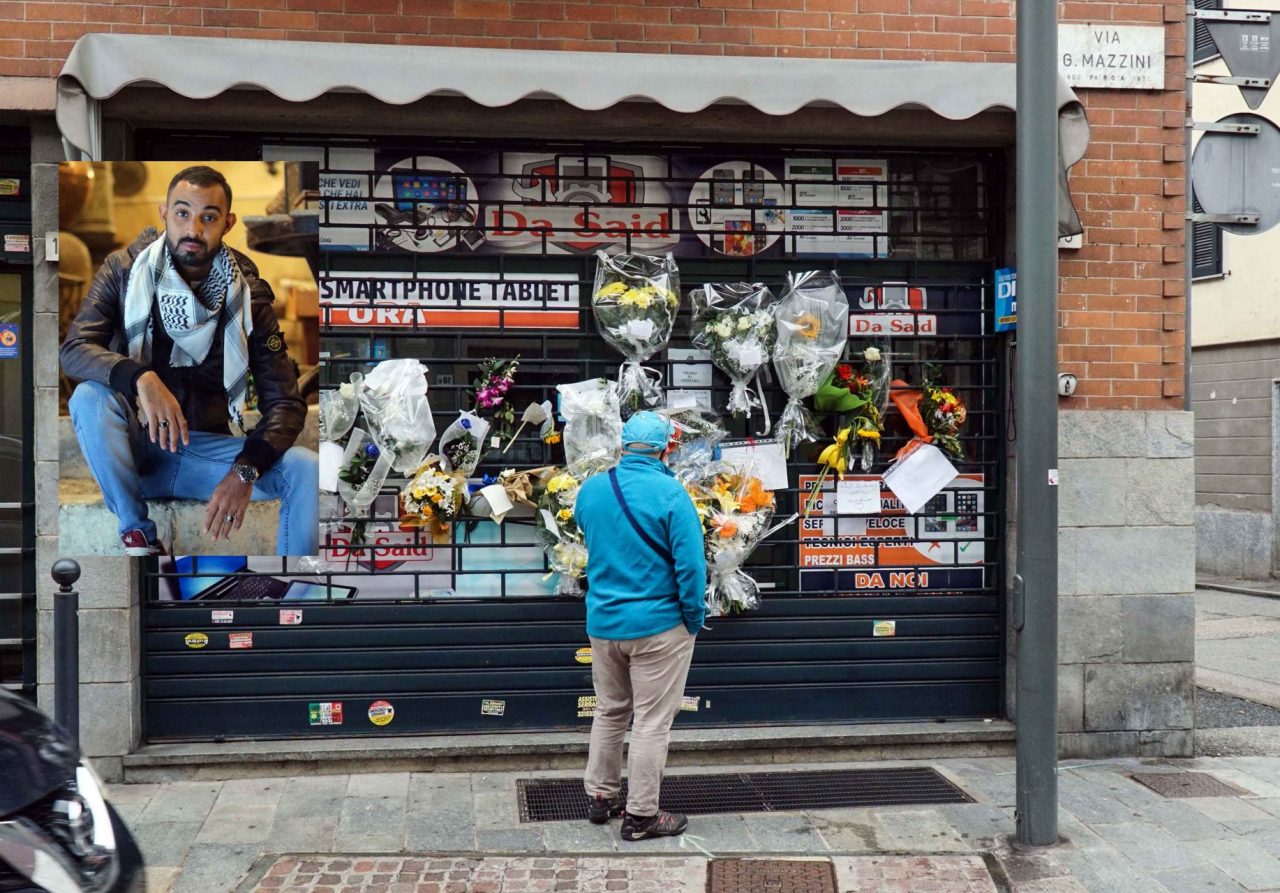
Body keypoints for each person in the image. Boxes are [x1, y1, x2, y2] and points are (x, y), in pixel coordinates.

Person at [60, 165, 318, 556]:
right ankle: (139, 535)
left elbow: (284, 403)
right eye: (182, 213)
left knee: (306, 467)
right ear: (164, 214)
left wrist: (244, 470)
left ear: (228, 223)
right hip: (136, 453)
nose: (193, 229)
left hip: (206, 455)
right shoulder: (123, 271)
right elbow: (75, 348)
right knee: (88, 397)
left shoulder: (248, 295)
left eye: (208, 217)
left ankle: (297, 587)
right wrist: (141, 378)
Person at [574, 411, 707, 841]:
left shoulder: (591, 490)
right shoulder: (672, 495)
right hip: (658, 626)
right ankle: (642, 815)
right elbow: (692, 567)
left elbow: (591, 539)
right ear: (666, 449)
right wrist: (693, 619)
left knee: (610, 710)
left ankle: (600, 796)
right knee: (651, 721)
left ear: (624, 445)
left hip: (603, 623)